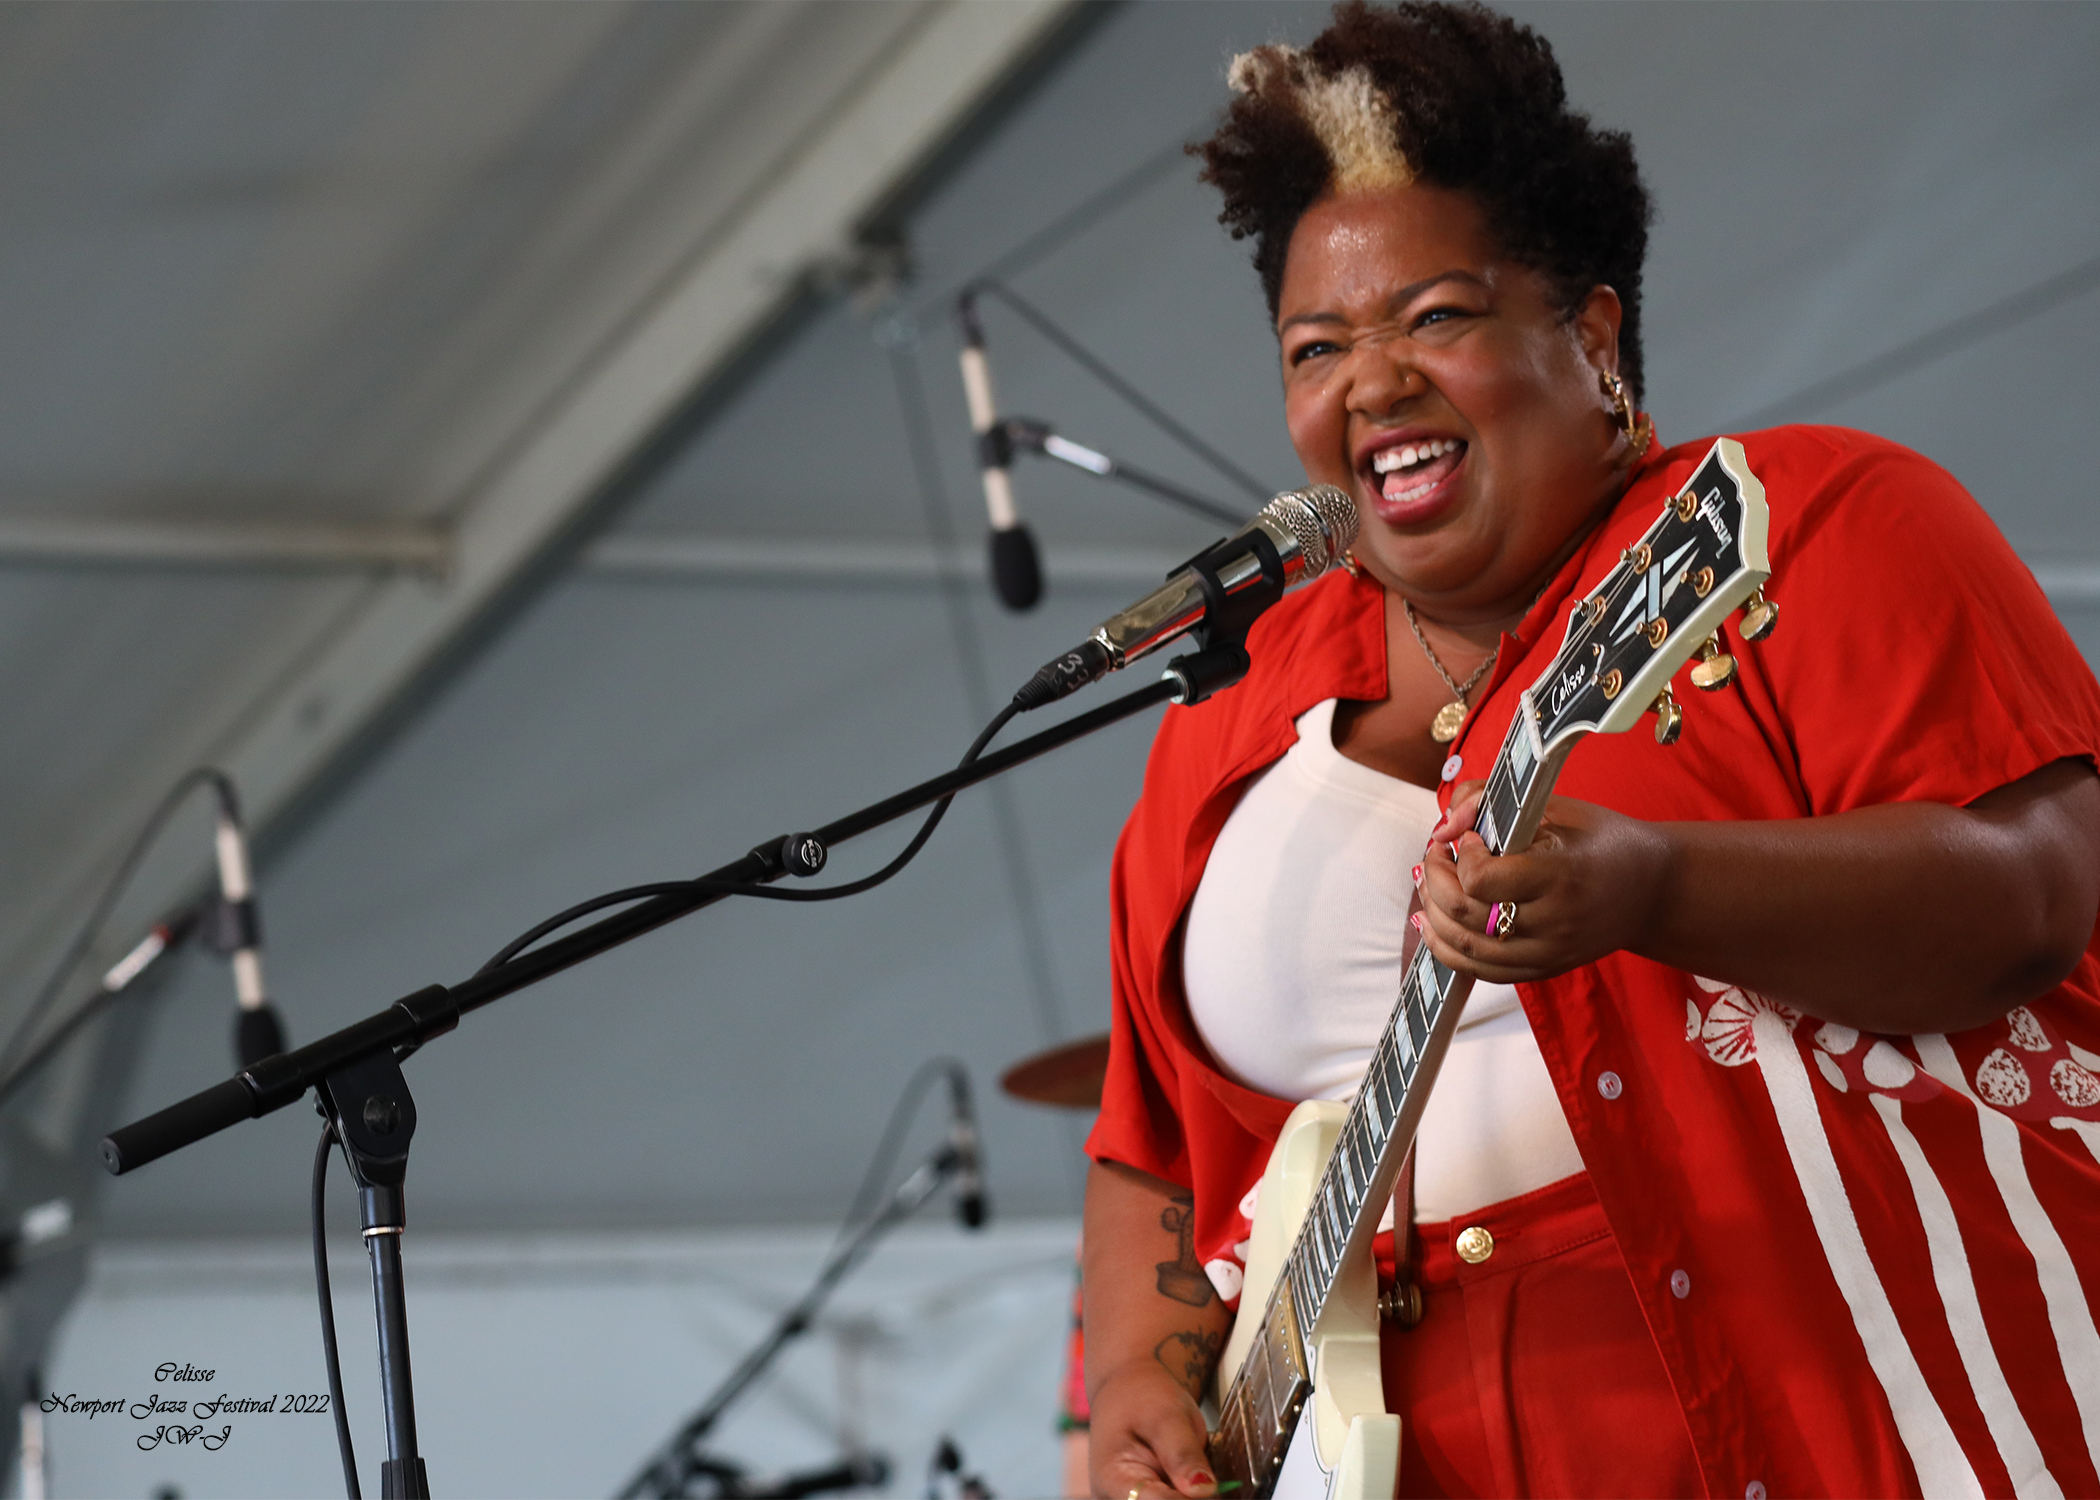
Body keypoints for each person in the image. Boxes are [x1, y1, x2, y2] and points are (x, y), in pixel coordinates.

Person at [1078, 4, 2100, 1497]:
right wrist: (1130, 1388)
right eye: (1319, 347)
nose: (1371, 384)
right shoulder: (1232, 716)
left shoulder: (1801, 523)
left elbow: (2028, 902)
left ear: (1594, 335)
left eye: (1435, 317)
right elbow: (1150, 1144)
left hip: (1834, 1412)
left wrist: (1659, 888)